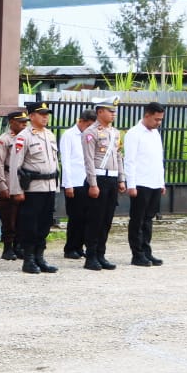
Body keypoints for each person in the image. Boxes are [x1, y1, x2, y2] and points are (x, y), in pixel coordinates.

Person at [9, 101, 60, 274]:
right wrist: (17, 191)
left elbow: (54, 163)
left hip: (49, 187)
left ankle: (40, 257)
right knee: (30, 224)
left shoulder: (50, 135)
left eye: (47, 114)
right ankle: (29, 259)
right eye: (41, 114)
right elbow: (15, 165)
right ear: (31, 116)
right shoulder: (24, 137)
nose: (45, 117)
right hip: (32, 188)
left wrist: (56, 186)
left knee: (45, 224)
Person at [81, 100, 126, 271]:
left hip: (112, 179)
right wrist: (93, 183)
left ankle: (101, 254)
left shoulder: (115, 133)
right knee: (95, 219)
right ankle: (91, 256)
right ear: (100, 112)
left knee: (106, 219)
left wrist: (121, 179)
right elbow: (89, 160)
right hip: (98, 179)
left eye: (114, 111)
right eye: (110, 111)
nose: (113, 114)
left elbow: (119, 156)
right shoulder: (90, 133)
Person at [124, 101, 167, 267]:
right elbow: (130, 161)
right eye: (156, 119)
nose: (158, 122)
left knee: (148, 219)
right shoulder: (134, 134)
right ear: (147, 115)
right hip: (141, 183)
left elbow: (158, 160)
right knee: (138, 220)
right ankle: (137, 254)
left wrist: (161, 182)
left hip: (154, 182)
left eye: (160, 119)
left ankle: (147, 251)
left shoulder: (155, 133)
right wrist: (131, 184)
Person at [60, 109, 96, 259]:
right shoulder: (69, 135)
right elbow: (66, 161)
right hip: (75, 181)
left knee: (88, 217)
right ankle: (71, 247)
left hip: (87, 181)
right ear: (81, 121)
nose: (90, 128)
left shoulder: (90, 136)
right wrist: (68, 184)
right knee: (75, 217)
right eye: (88, 125)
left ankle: (80, 246)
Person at [0, 110, 28, 260]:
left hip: (23, 180)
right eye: (21, 122)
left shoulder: (27, 138)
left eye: (25, 122)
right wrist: (2, 185)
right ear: (11, 122)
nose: (24, 124)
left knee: (22, 217)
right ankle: (7, 247)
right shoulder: (4, 140)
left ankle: (19, 246)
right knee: (9, 217)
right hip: (8, 179)